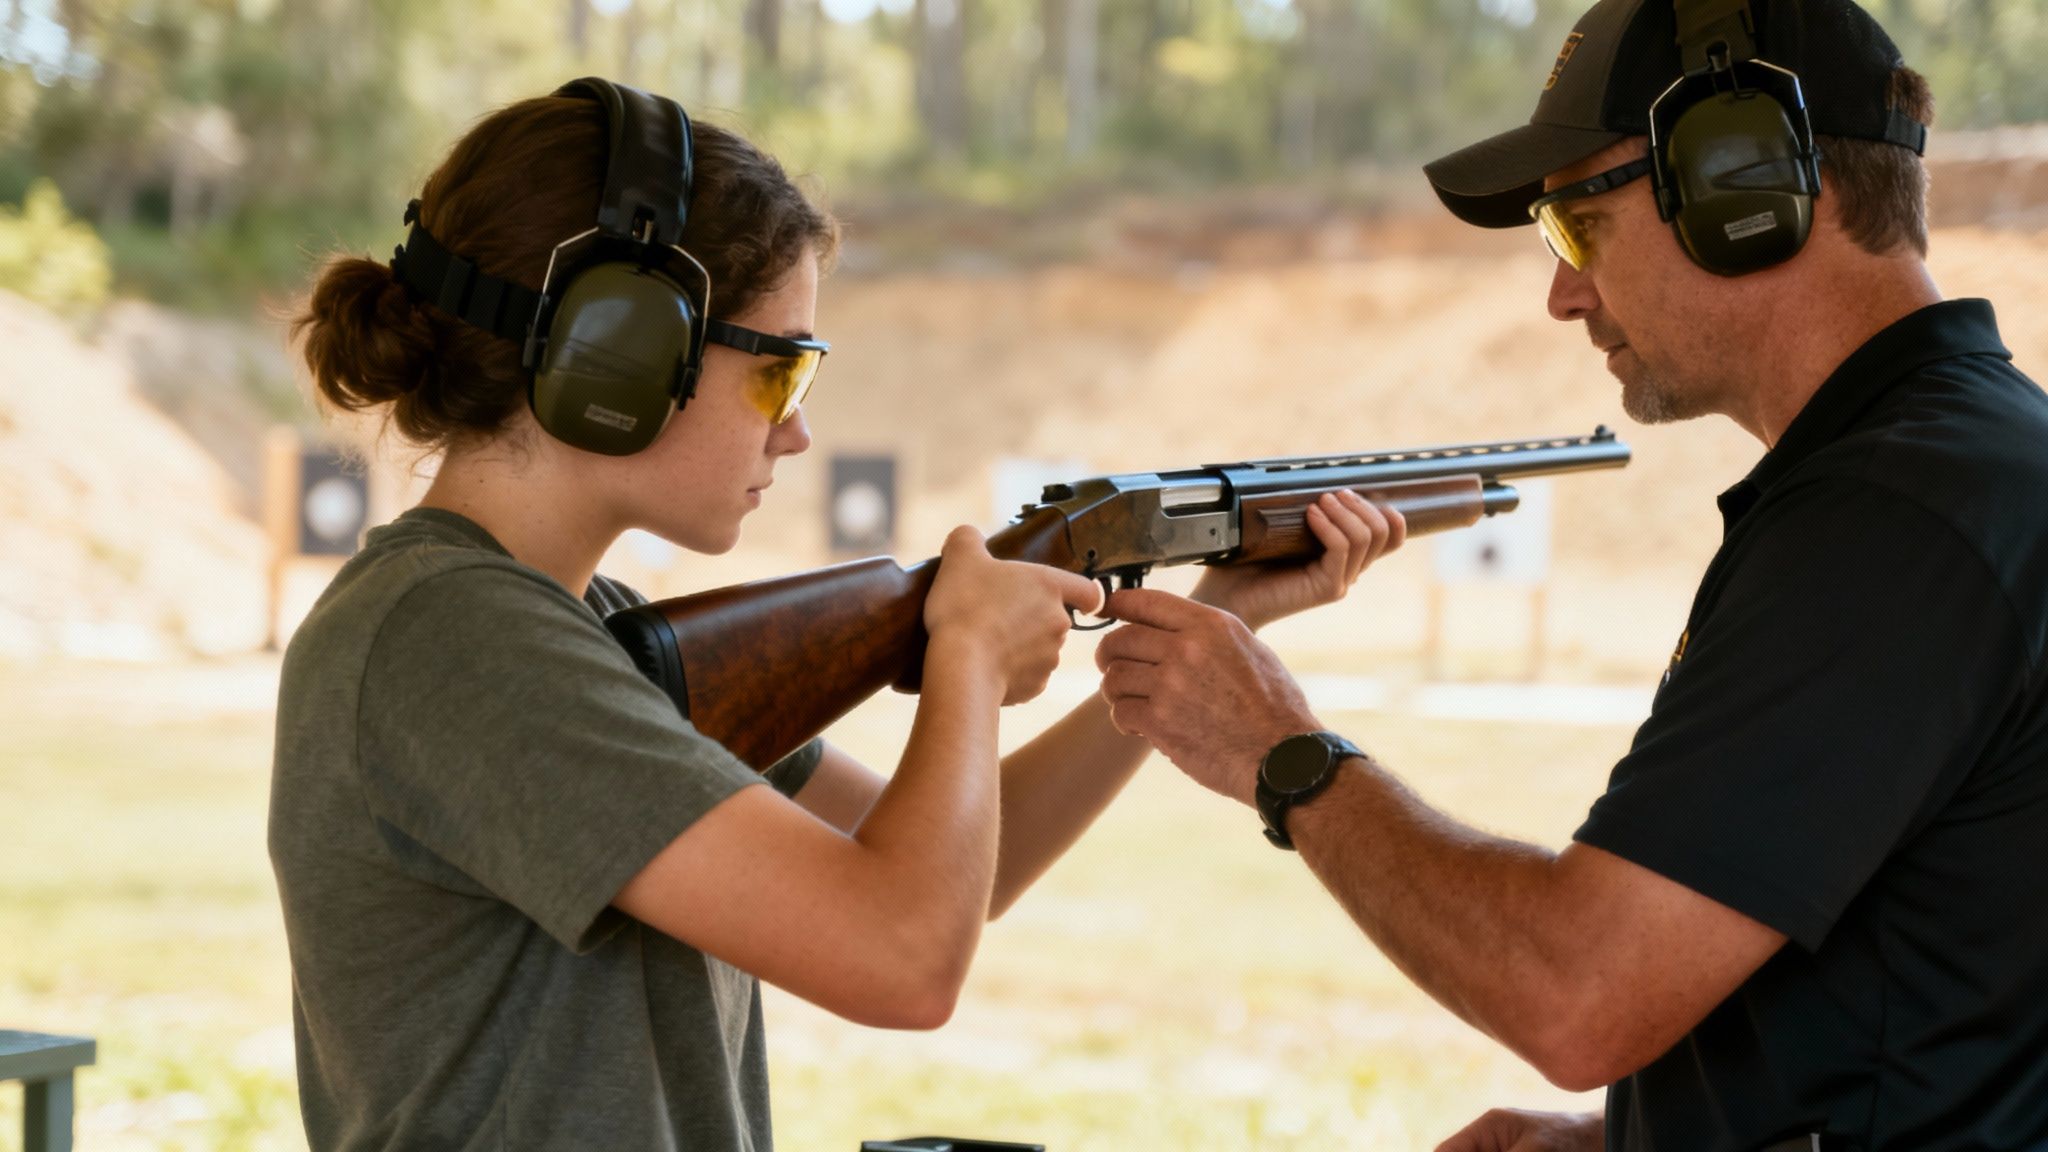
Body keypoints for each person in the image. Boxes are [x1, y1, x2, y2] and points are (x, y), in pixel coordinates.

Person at [271, 79, 1390, 1151]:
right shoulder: (454, 640)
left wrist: (1206, 624)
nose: (794, 431)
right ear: (618, 355)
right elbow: (901, 957)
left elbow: (967, 868)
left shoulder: (575, 626)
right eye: (780, 375)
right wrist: (961, 656)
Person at [1096, 1, 2048, 1149]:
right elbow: (1950, 1003)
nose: (1561, 293)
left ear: (1742, 188)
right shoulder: (1964, 472)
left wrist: (1280, 753)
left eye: (1579, 226)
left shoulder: (1893, 517)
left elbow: (1575, 994)